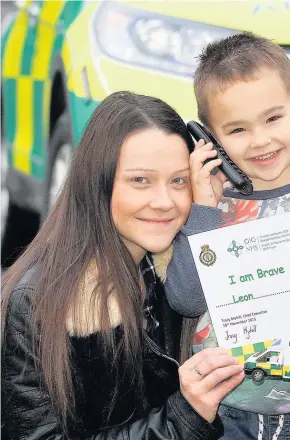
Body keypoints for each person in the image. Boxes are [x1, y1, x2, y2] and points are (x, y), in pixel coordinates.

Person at [1, 91, 245, 440]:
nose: (164, 202)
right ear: (98, 183)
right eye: (140, 180)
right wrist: (184, 418)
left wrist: (205, 212)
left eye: (178, 180)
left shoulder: (171, 271)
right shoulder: (33, 302)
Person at [157, 33, 290, 439]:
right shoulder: (212, 209)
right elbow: (186, 299)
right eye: (237, 129)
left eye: (274, 118)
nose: (261, 140)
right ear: (210, 139)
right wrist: (204, 211)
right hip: (234, 411)